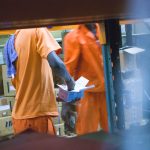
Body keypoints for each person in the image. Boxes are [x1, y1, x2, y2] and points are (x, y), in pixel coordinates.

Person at [5, 27, 75, 135]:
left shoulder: (15, 38)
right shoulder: (38, 30)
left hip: (21, 118)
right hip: (36, 119)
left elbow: (26, 81)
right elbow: (56, 64)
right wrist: (70, 82)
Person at [63, 23, 108, 135]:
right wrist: (65, 102)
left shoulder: (104, 30)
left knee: (113, 135)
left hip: (107, 94)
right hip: (87, 96)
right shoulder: (74, 37)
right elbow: (67, 72)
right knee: (87, 138)